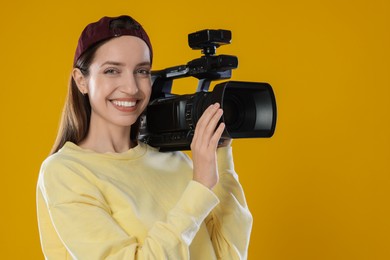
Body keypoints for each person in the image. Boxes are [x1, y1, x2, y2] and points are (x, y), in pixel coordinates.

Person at [36, 15, 252, 259]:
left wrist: (221, 153)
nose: (131, 87)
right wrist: (199, 187)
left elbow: (229, 253)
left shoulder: (177, 161)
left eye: (141, 71)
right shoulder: (66, 172)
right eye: (112, 70)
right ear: (81, 80)